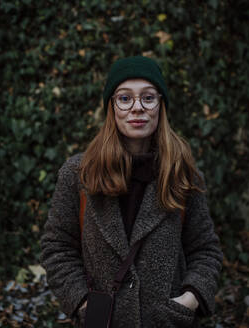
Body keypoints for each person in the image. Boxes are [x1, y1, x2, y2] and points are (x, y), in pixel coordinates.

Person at [40, 55, 223, 328]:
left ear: (161, 105)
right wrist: (82, 302)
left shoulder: (183, 174)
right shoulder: (79, 174)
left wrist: (189, 300)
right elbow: (57, 247)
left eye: (148, 98)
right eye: (125, 98)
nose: (137, 108)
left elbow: (205, 250)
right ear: (111, 107)